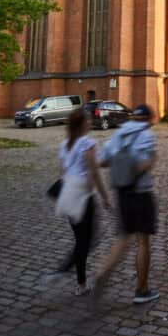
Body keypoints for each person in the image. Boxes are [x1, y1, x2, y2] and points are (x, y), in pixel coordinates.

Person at [94, 104, 159, 304]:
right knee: (143, 241)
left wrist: (120, 164)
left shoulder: (118, 135)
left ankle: (102, 272)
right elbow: (146, 163)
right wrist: (142, 165)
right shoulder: (146, 135)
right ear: (148, 119)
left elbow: (102, 162)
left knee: (123, 237)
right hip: (141, 193)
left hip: (122, 193)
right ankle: (142, 290)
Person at [54, 107, 111, 295]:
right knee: (89, 240)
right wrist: (104, 196)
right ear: (82, 124)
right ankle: (65, 270)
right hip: (84, 197)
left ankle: (80, 283)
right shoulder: (87, 143)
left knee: (81, 240)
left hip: (69, 195)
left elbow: (63, 171)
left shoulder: (65, 145)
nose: (90, 122)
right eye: (88, 120)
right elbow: (94, 172)